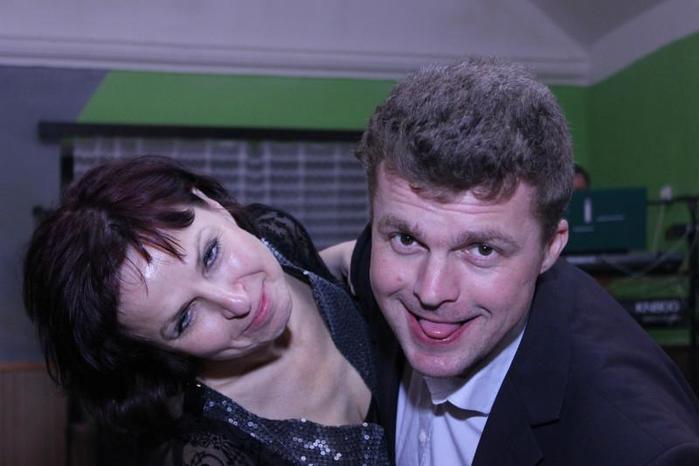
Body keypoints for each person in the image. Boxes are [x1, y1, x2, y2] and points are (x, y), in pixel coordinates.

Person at [328, 58, 699, 465]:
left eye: (482, 250)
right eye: (407, 239)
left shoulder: (635, 447)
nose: (431, 291)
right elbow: (346, 258)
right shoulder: (385, 268)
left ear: (550, 248)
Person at [23, 156, 390, 465]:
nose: (238, 302)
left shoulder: (275, 236)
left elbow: (320, 266)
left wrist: (367, 259)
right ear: (155, 350)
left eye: (211, 255)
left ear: (214, 206)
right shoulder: (213, 452)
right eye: (184, 319)